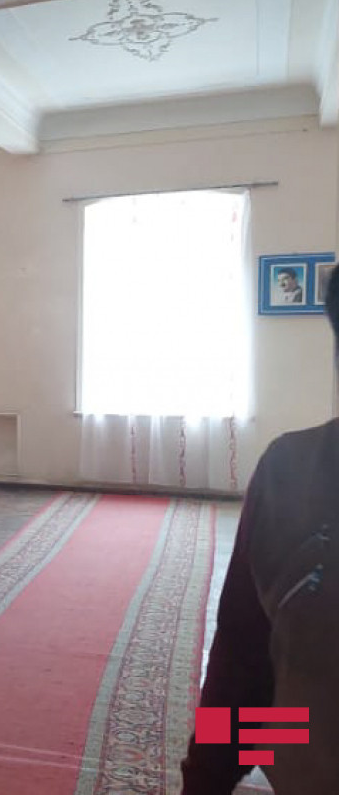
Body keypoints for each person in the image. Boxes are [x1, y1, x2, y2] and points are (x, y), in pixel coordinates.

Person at [180, 270, 339, 793]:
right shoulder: (290, 472)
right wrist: (207, 775)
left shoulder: (292, 469)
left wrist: (208, 776)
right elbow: (243, 664)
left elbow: (242, 670)